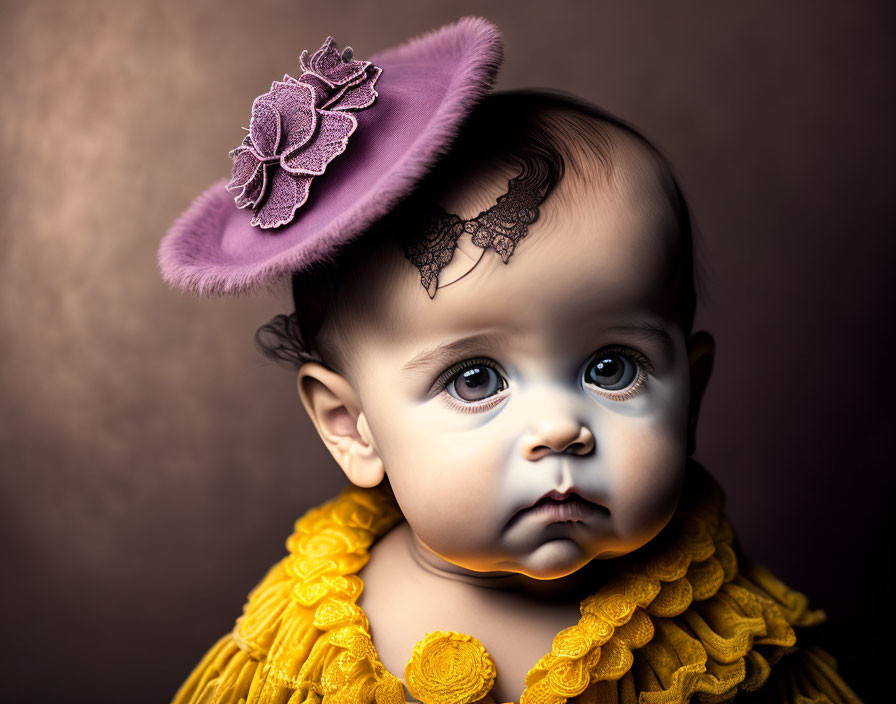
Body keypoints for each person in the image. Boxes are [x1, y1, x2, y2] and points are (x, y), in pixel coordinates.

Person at [159, 18, 861, 704]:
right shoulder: (308, 636)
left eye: (613, 368)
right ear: (352, 425)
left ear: (692, 394)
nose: (560, 429)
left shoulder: (722, 639)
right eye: (476, 380)